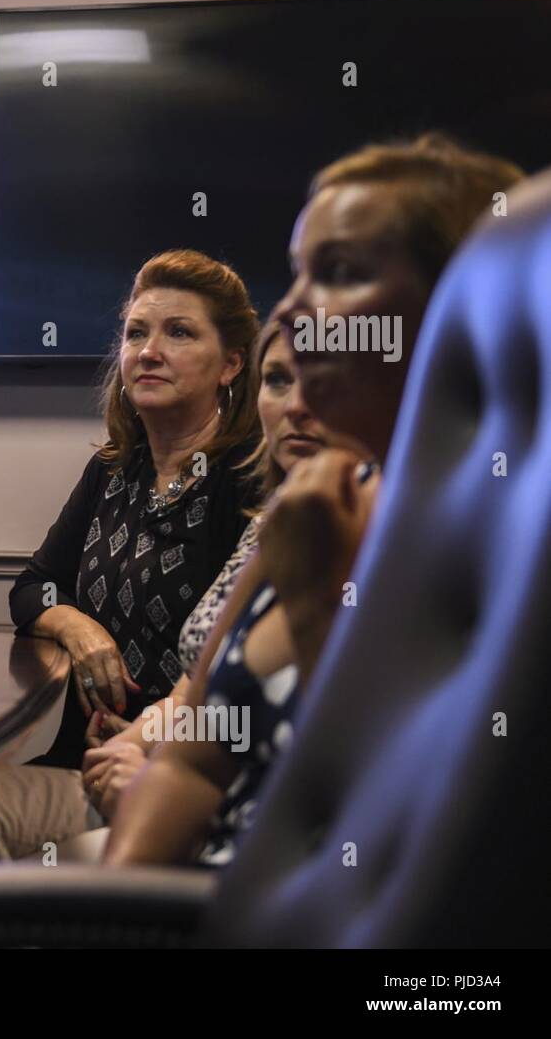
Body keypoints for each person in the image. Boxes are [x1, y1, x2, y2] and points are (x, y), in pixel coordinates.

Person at [104, 134, 525, 867]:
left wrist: (309, 608)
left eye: (337, 273)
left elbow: (414, 837)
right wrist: (108, 910)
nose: (294, 308)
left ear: (459, 299)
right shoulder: (309, 506)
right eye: (299, 273)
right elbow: (188, 765)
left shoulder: (512, 526)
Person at [0, 249, 261, 863]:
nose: (148, 351)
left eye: (179, 333)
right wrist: (78, 625)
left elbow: (239, 673)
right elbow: (32, 588)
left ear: (230, 364)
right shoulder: (114, 470)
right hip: (78, 762)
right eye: (135, 333)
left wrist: (149, 738)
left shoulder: (245, 483)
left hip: (166, 776)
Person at [78, 319, 364, 818]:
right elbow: (202, 687)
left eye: (326, 383)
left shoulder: (372, 538)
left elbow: (292, 760)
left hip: (235, 836)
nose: (297, 405)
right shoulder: (272, 522)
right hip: (150, 767)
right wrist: (139, 744)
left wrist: (150, 774)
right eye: (277, 381)